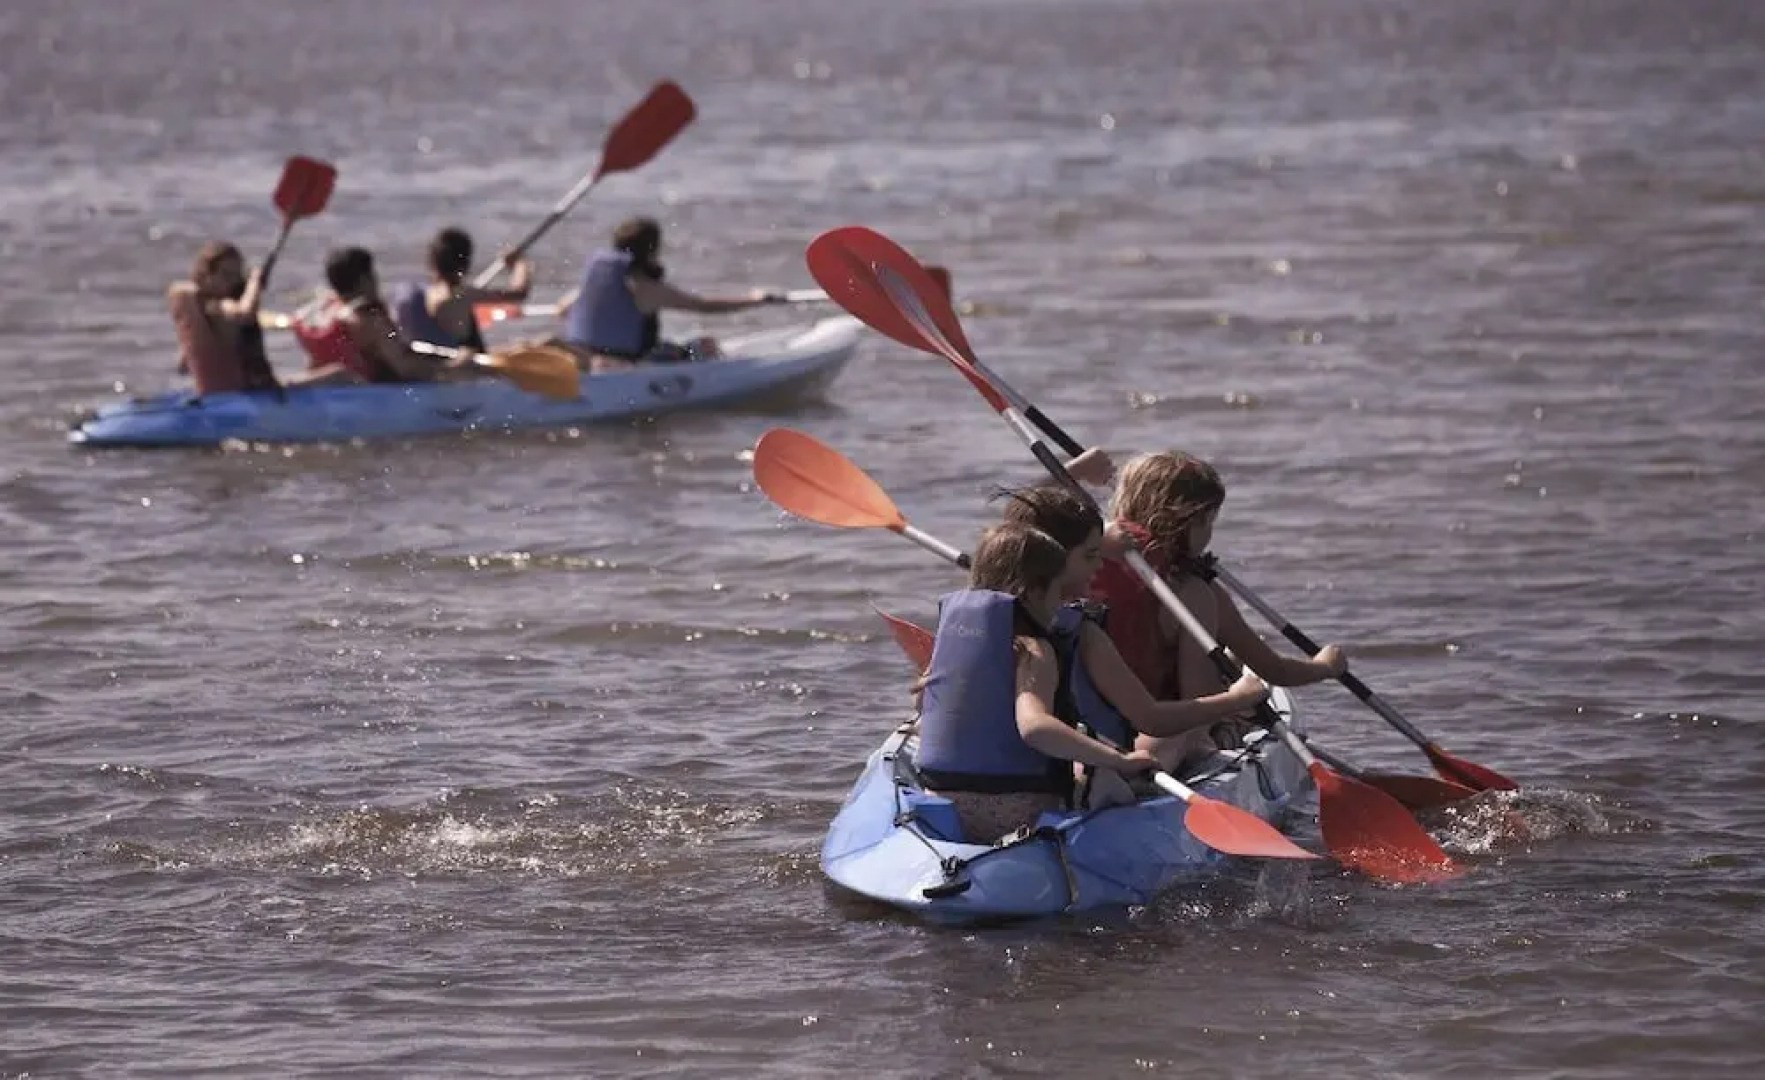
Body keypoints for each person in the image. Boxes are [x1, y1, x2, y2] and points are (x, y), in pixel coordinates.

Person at [995, 484, 1271, 787]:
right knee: (1186, 730)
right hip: (1069, 782)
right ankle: (1221, 739)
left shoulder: (984, 621)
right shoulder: (1082, 633)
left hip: (979, 783)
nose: (1100, 564)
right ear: (1052, 562)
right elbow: (1152, 719)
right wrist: (1236, 699)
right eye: (1091, 555)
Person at [914, 521, 1165, 845]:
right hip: (1017, 811)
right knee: (1104, 774)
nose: (1062, 604)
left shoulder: (953, 640)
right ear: (1034, 592)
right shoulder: (1034, 648)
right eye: (1058, 592)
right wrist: (1120, 761)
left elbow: (924, 705)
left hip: (942, 802)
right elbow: (1035, 728)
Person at [1093, 452, 1348, 741]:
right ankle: (1216, 734)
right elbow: (1272, 670)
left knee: (1229, 663)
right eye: (1209, 522)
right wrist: (1325, 667)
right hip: (1161, 726)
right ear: (1191, 522)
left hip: (1093, 716)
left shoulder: (1089, 562)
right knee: (1226, 667)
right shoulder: (1195, 593)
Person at [556, 216, 785, 371]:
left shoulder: (598, 281)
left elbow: (562, 310)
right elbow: (704, 306)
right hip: (631, 362)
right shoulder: (644, 287)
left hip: (584, 354)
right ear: (651, 250)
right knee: (705, 345)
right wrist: (756, 300)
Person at [292, 247, 481, 385]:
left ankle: (292, 386)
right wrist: (455, 366)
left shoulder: (326, 312)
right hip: (369, 398)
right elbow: (406, 368)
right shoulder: (370, 320)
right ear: (364, 280)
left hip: (327, 393)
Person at [166, 242, 284, 397]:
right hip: (237, 395)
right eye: (226, 275)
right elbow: (244, 313)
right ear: (206, 275)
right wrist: (254, 282)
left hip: (225, 394)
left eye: (236, 276)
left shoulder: (199, 309)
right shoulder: (218, 305)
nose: (232, 282)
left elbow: (183, 366)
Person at [391, 227, 532, 351]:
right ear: (465, 264)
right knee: (537, 344)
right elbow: (519, 293)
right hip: (464, 366)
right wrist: (520, 263)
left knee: (520, 346)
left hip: (432, 361)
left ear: (432, 262)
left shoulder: (421, 294)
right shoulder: (462, 295)